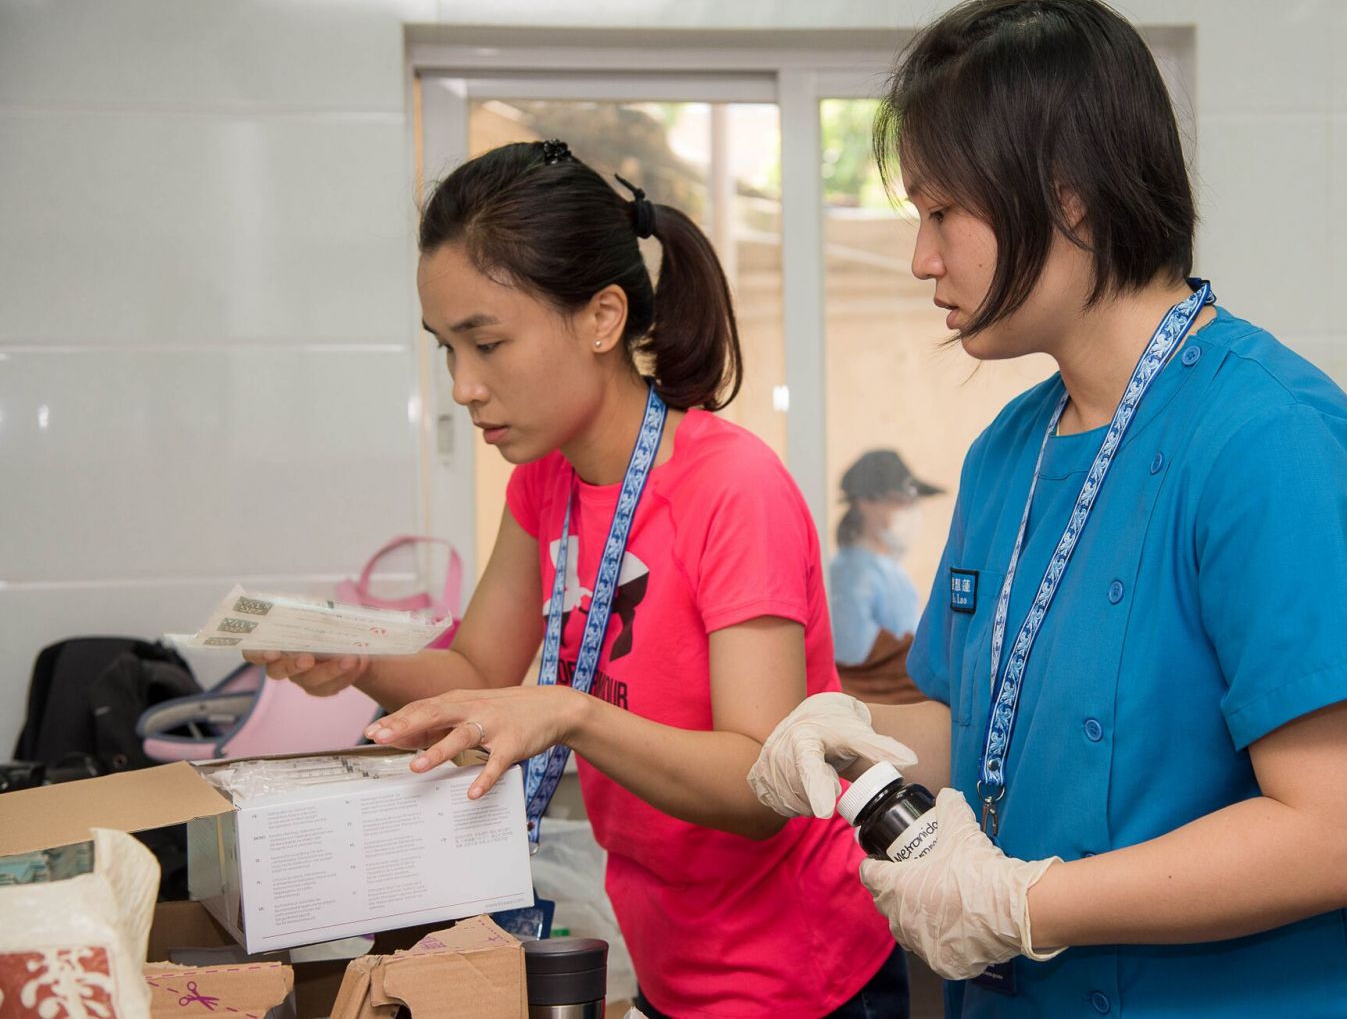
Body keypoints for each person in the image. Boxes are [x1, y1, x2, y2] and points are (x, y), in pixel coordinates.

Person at [748, 0, 1347, 1018]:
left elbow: (1341, 834)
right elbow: (979, 718)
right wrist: (854, 730)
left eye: (943, 211)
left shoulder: (1273, 444)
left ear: (1068, 194)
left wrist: (1033, 902)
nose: (920, 258)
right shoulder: (1010, 452)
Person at [251, 140, 905, 1018]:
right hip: (670, 949)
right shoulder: (545, 482)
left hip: (799, 969)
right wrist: (355, 655)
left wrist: (570, 710)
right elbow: (478, 670)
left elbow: (763, 785)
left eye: (486, 343)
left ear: (601, 318)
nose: (462, 386)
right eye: (445, 349)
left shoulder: (730, 489)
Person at [829, 450, 943, 704]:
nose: (909, 511)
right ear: (865, 503)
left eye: (912, 502)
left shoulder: (888, 571)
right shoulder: (851, 574)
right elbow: (855, 661)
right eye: (899, 501)